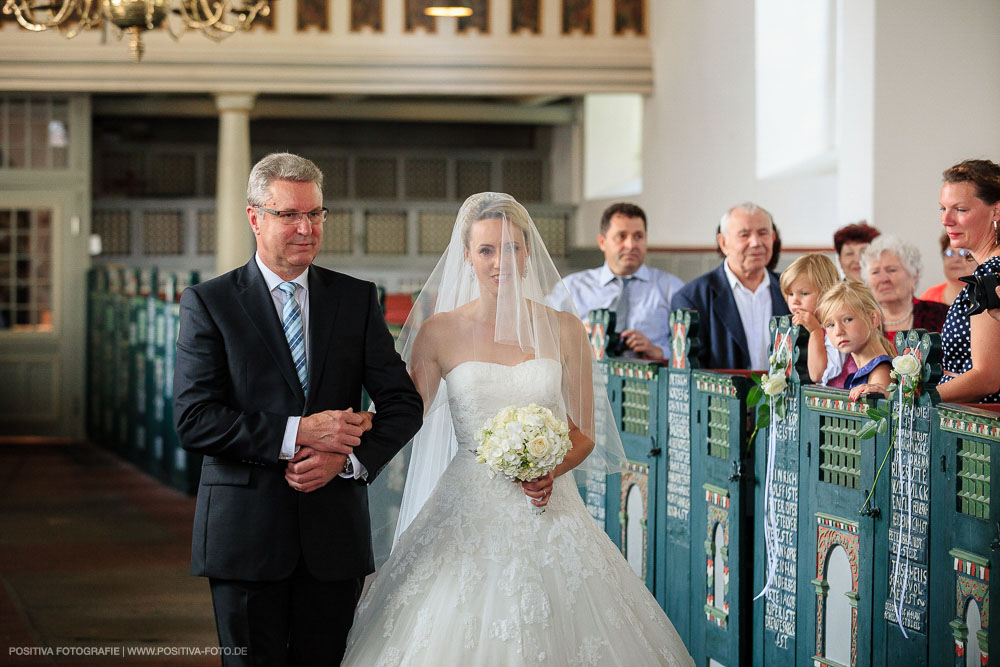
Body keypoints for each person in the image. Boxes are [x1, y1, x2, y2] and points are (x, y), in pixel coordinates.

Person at [342, 193, 694, 666]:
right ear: (467, 255)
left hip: (549, 504)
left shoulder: (567, 328)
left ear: (528, 253)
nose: (500, 261)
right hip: (466, 508)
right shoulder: (438, 333)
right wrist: (354, 427)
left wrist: (549, 468)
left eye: (512, 248)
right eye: (486, 249)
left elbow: (584, 431)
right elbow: (405, 416)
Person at [172, 153, 424, 665]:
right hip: (245, 534)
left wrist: (348, 460)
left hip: (332, 535)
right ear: (255, 217)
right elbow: (194, 420)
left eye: (316, 214)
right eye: (289, 215)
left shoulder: (354, 299)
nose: (306, 228)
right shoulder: (210, 303)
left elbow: (403, 403)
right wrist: (299, 433)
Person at [557, 202, 683, 359]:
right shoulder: (571, 288)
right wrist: (575, 332)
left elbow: (696, 347)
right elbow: (543, 337)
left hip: (650, 378)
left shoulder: (672, 288)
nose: (630, 245)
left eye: (638, 236)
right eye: (621, 236)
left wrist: (659, 351)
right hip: (587, 378)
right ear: (602, 242)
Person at [671, 202, 789, 369]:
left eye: (763, 233)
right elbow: (689, 373)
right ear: (723, 242)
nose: (756, 242)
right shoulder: (692, 299)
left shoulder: (790, 291)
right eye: (744, 235)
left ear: (773, 238)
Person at [936, 159, 1000, 404]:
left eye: (960, 210)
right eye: (942, 208)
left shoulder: (991, 274)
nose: (946, 220)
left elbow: (986, 377)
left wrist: (914, 396)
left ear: (995, 211)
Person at [860, 234, 948, 344]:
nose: (883, 279)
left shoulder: (943, 316)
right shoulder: (860, 322)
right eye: (875, 272)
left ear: (914, 275)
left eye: (891, 270)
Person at [816, 281, 895, 401]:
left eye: (848, 319)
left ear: (873, 319)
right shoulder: (862, 370)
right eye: (830, 324)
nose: (838, 331)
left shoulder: (880, 371)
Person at [779, 253, 847, 386]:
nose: (795, 301)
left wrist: (815, 331)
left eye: (804, 293)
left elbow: (817, 375)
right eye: (790, 294)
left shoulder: (836, 327)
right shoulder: (797, 327)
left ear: (827, 292)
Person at [920, 232, 975, 305]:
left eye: (963, 253)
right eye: (950, 253)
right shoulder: (929, 297)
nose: (956, 259)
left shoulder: (986, 296)